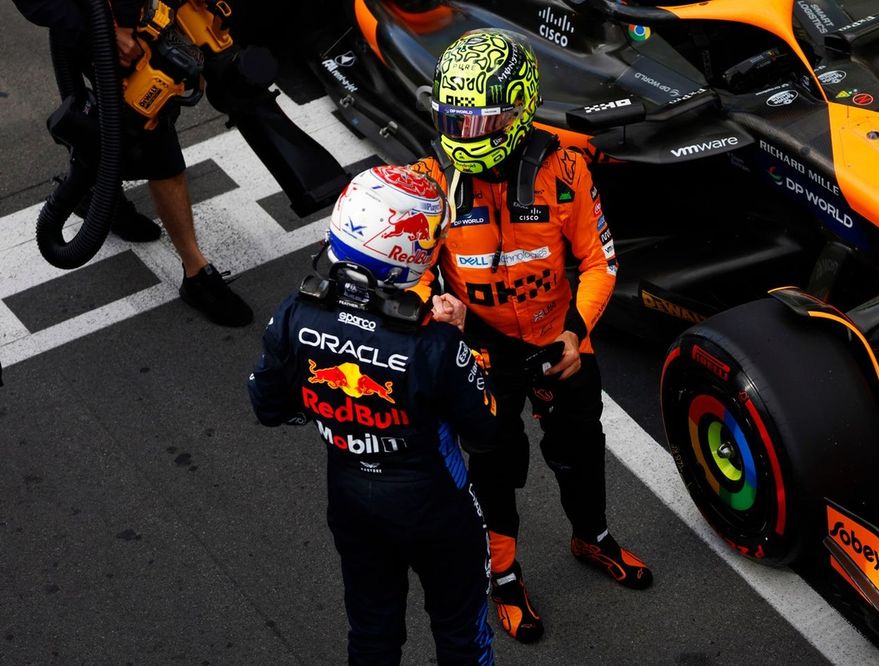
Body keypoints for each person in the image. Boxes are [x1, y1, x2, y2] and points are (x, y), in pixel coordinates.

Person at [410, 29, 653, 645]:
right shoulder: (429, 180)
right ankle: (503, 575)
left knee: (580, 451)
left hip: (560, 343)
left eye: (480, 122)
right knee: (495, 463)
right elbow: (407, 272)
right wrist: (433, 305)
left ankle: (592, 537)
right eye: (454, 121)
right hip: (480, 354)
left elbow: (599, 261)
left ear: (520, 109)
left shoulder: (565, 168)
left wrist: (575, 334)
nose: (465, 135)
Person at [248, 165, 496, 665]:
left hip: (351, 501)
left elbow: (268, 407)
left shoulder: (294, 312)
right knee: (462, 637)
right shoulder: (436, 342)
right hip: (437, 509)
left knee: (371, 636)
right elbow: (486, 431)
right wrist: (464, 341)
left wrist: (338, 419)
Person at [13, 0, 253, 327]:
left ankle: (101, 193)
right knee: (153, 133)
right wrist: (105, 31)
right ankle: (196, 273)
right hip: (112, 29)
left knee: (131, 119)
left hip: (147, 16)